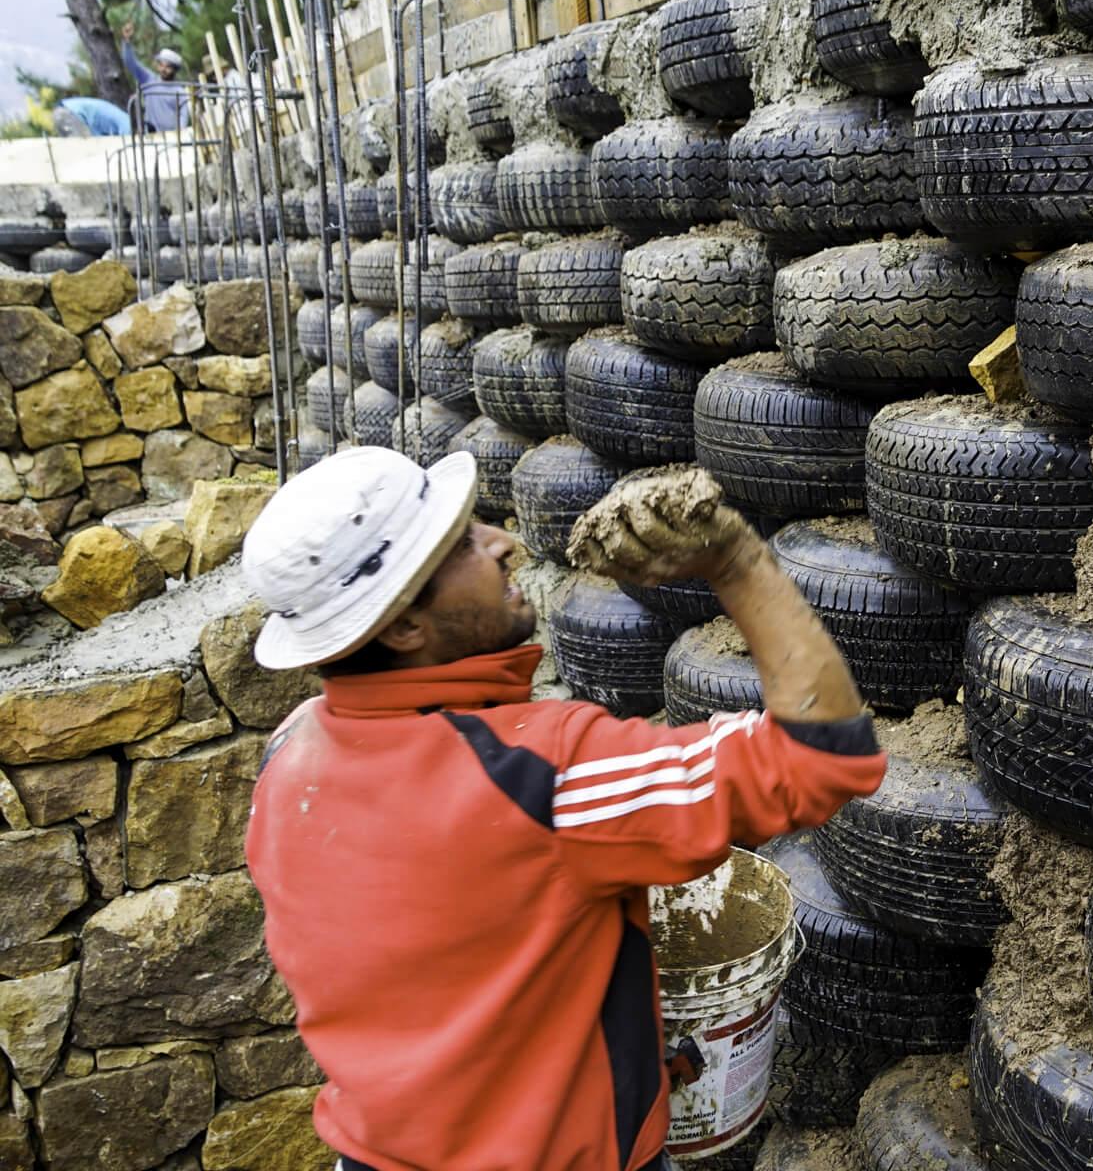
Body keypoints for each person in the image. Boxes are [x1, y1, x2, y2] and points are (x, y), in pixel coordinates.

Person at [241, 447, 885, 1171]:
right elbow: (826, 754)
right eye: (461, 546)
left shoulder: (287, 753)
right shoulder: (545, 775)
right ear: (401, 629)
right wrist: (736, 562)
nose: (504, 542)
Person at [118, 22, 188, 132]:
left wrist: (179, 135)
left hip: (171, 138)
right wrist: (127, 42)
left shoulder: (180, 92)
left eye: (168, 67)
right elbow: (130, 62)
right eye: (161, 65)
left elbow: (183, 117)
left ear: (174, 70)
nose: (163, 69)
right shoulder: (149, 80)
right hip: (150, 137)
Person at [53, 96, 131, 136]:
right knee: (87, 146)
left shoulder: (121, 120)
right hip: (70, 113)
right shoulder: (128, 125)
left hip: (64, 110)